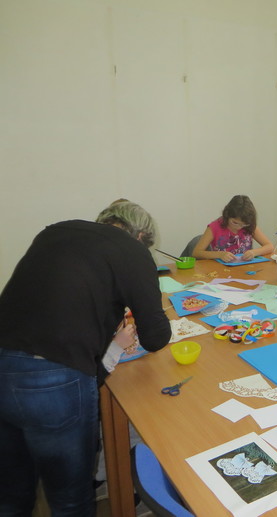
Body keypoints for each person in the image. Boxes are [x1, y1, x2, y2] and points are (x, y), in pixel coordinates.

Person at [0, 201, 171, 516]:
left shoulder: (57, 231)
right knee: (70, 501)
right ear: (141, 236)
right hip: (52, 377)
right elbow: (156, 336)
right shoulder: (132, 250)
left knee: (11, 495)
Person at [192, 194, 273, 262]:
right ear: (227, 215)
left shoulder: (250, 226)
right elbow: (196, 253)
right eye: (235, 222)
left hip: (245, 269)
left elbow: (270, 246)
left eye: (244, 225)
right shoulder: (214, 227)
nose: (239, 227)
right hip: (221, 269)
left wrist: (254, 252)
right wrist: (220, 255)